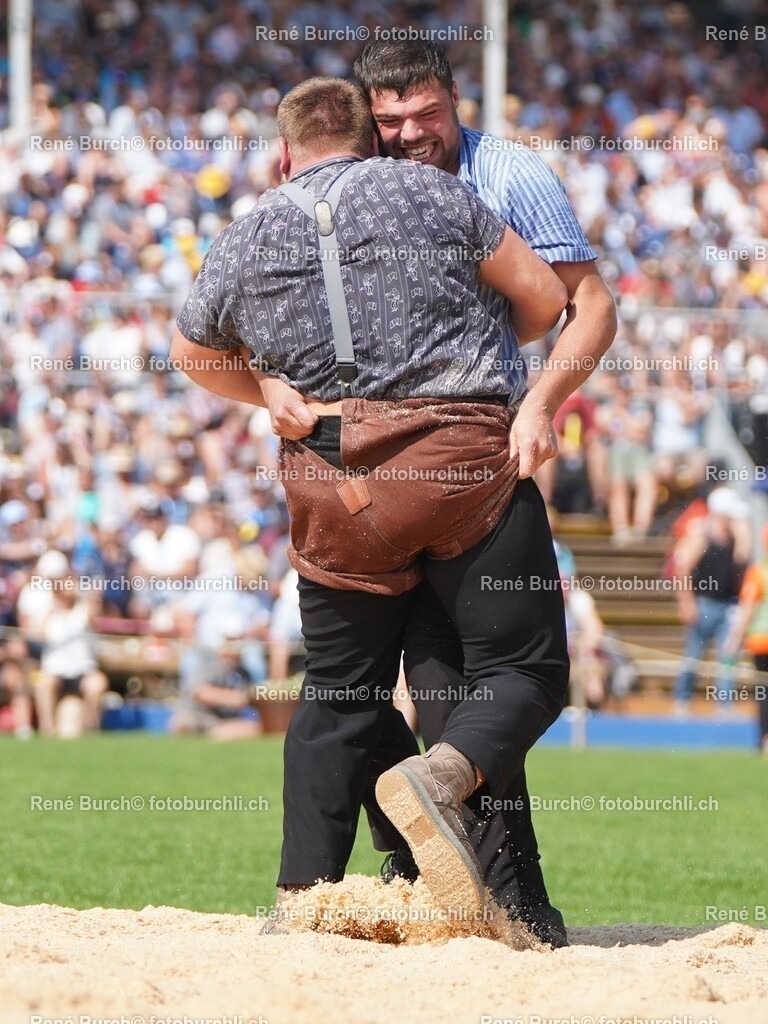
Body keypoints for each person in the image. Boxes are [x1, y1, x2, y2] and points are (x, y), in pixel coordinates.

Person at [171, 77, 610, 932]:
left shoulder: (248, 227)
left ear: (287, 152)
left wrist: (269, 390)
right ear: (369, 138)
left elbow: (190, 352)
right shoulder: (436, 192)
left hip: (333, 475)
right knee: (523, 671)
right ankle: (442, 779)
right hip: (459, 460)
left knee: (337, 693)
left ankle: (300, 902)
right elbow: (549, 299)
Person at [671, 487, 751, 714]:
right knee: (693, 655)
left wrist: (744, 538)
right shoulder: (702, 534)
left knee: (728, 657)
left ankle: (724, 706)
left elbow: (741, 566)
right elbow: (682, 569)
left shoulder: (734, 537)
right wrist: (687, 603)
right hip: (704, 604)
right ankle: (682, 701)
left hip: (727, 605)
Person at [724, 522, 768, 753]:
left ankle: (765, 738)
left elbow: (748, 607)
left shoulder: (759, 571)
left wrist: (734, 638)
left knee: (764, 693)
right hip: (761, 642)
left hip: (761, 641)